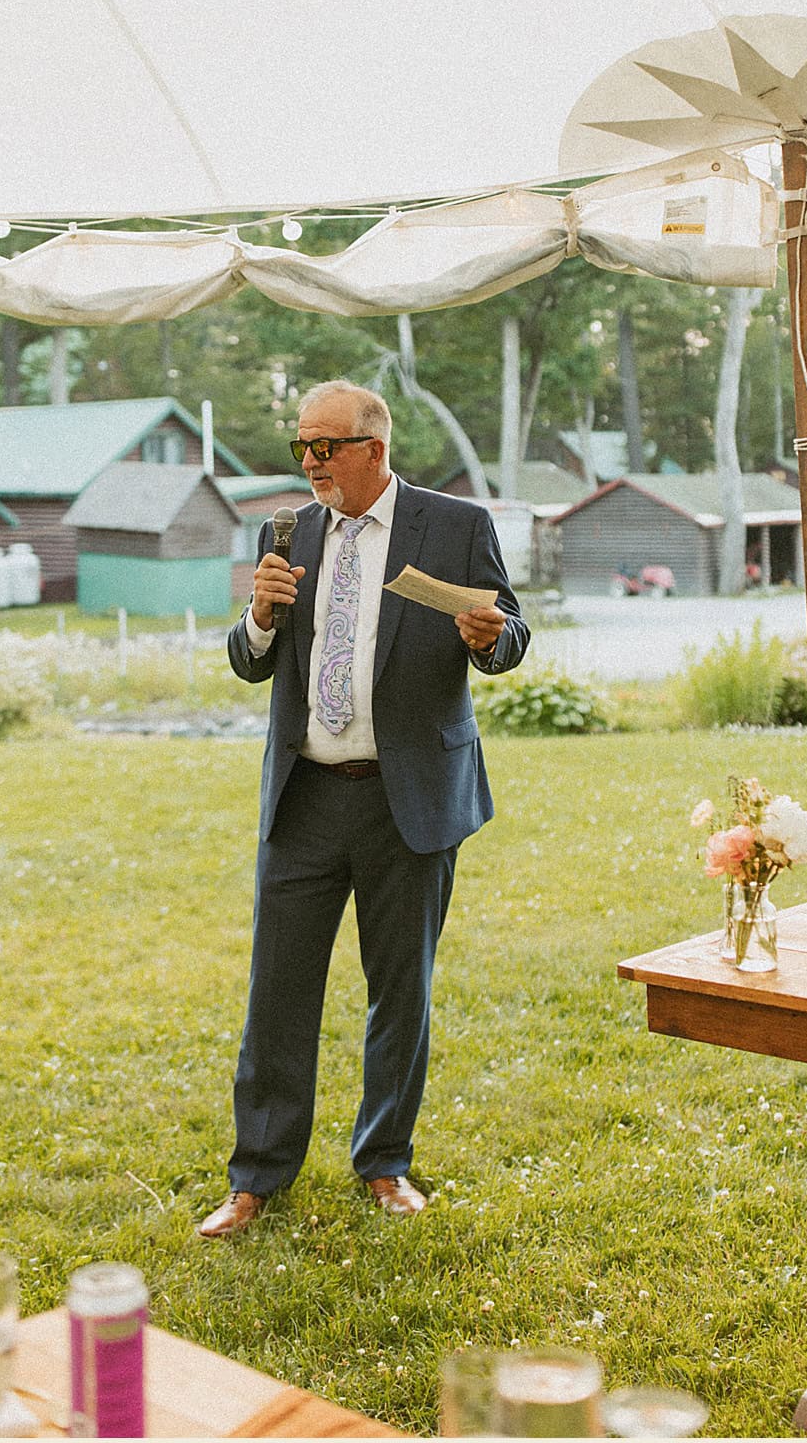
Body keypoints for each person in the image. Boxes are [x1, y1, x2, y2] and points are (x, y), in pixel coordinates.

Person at [198, 380, 529, 1239]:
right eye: (301, 446)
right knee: (277, 994)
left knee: (400, 993)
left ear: (374, 449)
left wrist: (491, 637)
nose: (309, 463)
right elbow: (247, 660)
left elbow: (509, 632)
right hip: (305, 796)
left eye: (325, 447)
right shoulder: (291, 533)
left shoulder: (452, 527)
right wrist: (261, 617)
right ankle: (256, 1177)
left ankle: (384, 1164)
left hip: (407, 799)